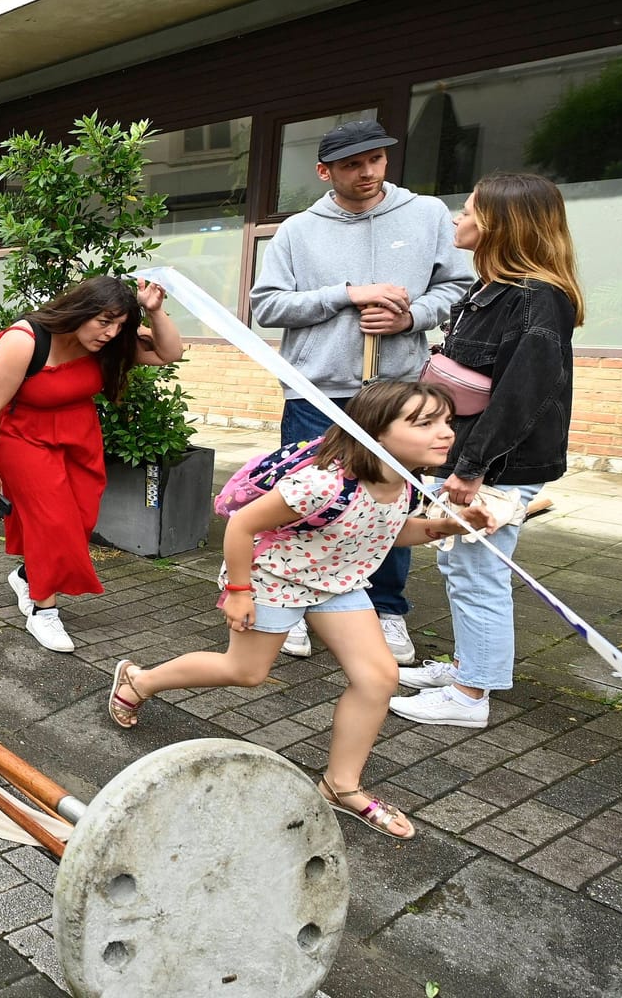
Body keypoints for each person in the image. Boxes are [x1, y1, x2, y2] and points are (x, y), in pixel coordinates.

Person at [108, 380, 495, 840]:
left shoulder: (409, 481)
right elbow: (241, 524)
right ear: (374, 430)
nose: (446, 433)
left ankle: (341, 787)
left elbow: (388, 531)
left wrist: (445, 526)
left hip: (338, 584)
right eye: (424, 422)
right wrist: (238, 591)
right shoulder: (320, 484)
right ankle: (140, 679)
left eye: (447, 421)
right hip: (276, 579)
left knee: (379, 678)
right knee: (245, 671)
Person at [249, 119, 473, 663]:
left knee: (392, 502)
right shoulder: (298, 231)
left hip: (399, 393)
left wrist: (412, 317)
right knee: (303, 499)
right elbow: (267, 305)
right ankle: (292, 604)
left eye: (375, 159)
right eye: (351, 164)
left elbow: (460, 286)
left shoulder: (425, 216)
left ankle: (386, 609)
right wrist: (347, 295)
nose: (367, 172)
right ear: (325, 172)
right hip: (317, 389)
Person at [390, 172, 584, 730]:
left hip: (498, 464)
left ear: (499, 224)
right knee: (461, 567)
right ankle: (466, 668)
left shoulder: (536, 300)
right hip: (471, 457)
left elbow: (522, 398)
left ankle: (471, 696)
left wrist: (471, 470)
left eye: (469, 210)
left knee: (478, 572)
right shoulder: (490, 289)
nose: (458, 218)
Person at [0, 275, 183, 652]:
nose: (110, 333)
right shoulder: (25, 340)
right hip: (24, 438)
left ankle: (27, 575)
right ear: (81, 310)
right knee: (54, 523)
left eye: (119, 325)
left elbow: (169, 353)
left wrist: (154, 310)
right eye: (104, 321)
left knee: (81, 519)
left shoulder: (107, 345)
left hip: (78, 437)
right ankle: (43, 611)